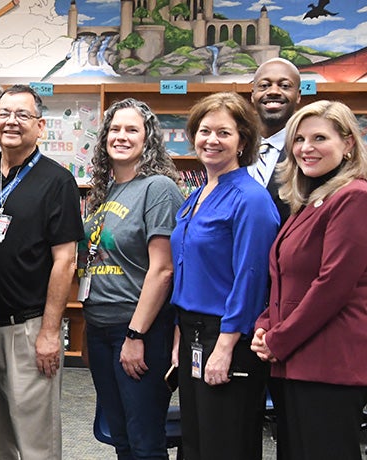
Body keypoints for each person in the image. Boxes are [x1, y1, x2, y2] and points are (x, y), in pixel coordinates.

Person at [251, 100, 367, 460]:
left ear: (348, 144)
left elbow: (332, 285)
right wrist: (264, 326)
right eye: (299, 139)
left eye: (320, 138)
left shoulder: (354, 197)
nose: (306, 148)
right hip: (295, 361)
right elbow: (284, 276)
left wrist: (278, 339)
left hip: (330, 365)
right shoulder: (311, 200)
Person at [0, 85, 83, 460]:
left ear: (39, 127)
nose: (11, 122)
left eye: (23, 115)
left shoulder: (57, 181)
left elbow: (65, 260)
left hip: (29, 328)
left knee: (34, 442)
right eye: (4, 113)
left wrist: (51, 332)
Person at [170, 92, 279, 460]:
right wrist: (178, 339)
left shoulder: (251, 199)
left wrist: (226, 347)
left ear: (243, 141)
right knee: (196, 442)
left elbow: (251, 278)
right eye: (204, 131)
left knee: (226, 444)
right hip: (193, 333)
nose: (211, 140)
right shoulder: (198, 194)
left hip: (227, 335)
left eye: (223, 132)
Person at [79, 98, 183, 459]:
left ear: (148, 138)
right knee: (119, 434)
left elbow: (163, 269)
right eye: (114, 129)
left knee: (144, 439)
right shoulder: (104, 193)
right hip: (99, 326)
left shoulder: (158, 188)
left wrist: (135, 335)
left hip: (138, 327)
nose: (121, 136)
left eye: (132, 130)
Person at [248, 58, 302, 222]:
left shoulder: (308, 152)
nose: (273, 91)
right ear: (252, 95)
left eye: (284, 86)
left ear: (298, 95)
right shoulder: (235, 148)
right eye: (264, 85)